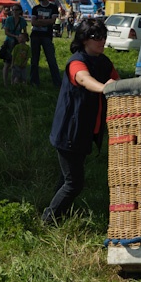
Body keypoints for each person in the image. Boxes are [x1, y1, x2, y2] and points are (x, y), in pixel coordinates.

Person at [42, 18, 119, 223]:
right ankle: (49, 219)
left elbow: (118, 81)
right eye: (96, 37)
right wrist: (105, 88)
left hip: (85, 131)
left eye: (104, 36)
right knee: (74, 183)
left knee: (66, 178)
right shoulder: (77, 61)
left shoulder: (103, 62)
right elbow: (84, 79)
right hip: (69, 132)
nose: (102, 40)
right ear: (84, 39)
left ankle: (58, 214)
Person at [30, 0, 62, 88]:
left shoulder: (53, 8)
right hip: (35, 36)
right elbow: (33, 22)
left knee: (51, 60)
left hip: (47, 36)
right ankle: (34, 82)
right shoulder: (35, 8)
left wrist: (40, 22)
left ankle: (57, 83)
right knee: (34, 60)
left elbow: (52, 21)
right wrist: (44, 22)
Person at [2, 5, 29, 86]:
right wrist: (15, 36)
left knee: (16, 63)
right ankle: (5, 83)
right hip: (9, 42)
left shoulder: (22, 21)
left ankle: (14, 82)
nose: (14, 11)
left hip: (19, 43)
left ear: (20, 11)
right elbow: (6, 32)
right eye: (13, 10)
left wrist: (23, 39)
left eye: (16, 10)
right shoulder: (9, 19)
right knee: (7, 63)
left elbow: (25, 32)